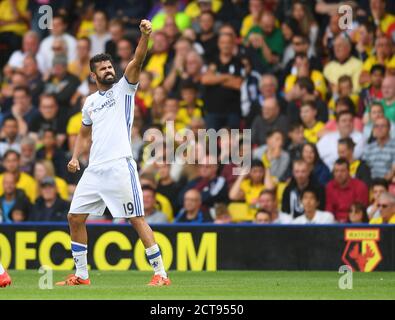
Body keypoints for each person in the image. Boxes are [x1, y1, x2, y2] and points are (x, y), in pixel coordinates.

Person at [57, 20, 171, 287]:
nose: (109, 70)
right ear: (93, 76)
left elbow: (138, 60)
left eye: (110, 66)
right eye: (103, 68)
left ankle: (161, 274)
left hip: (120, 166)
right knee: (74, 217)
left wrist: (145, 36)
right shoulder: (90, 103)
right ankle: (82, 276)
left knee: (135, 218)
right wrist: (75, 157)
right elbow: (84, 133)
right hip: (94, 169)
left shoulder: (124, 88)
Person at [325, 159, 369, 223]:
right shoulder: (329, 186)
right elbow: (329, 211)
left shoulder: (360, 186)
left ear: (349, 171)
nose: (339, 174)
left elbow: (360, 212)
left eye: (342, 171)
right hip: (335, 224)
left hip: (354, 223)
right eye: (336, 171)